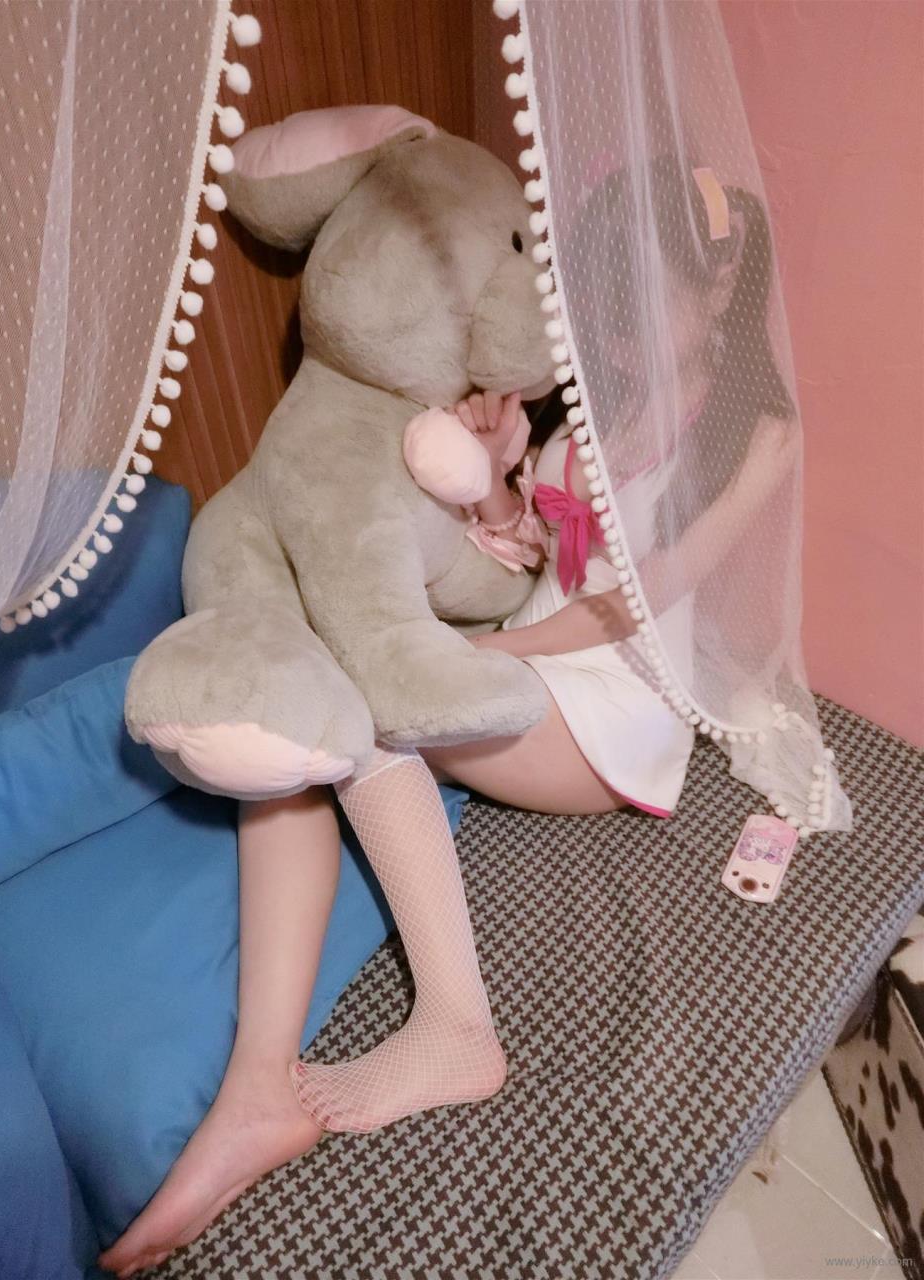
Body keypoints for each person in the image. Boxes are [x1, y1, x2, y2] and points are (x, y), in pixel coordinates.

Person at [98, 161, 796, 1277]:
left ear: (716, 291)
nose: (611, 334)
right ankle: (256, 1085)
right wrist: (498, 481)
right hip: (536, 650)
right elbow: (554, 554)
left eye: (638, 303)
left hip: (615, 704)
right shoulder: (596, 400)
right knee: (320, 702)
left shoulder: (757, 432)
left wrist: (471, 654)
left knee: (370, 704)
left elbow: (631, 600)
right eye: (601, 304)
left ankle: (458, 1027)